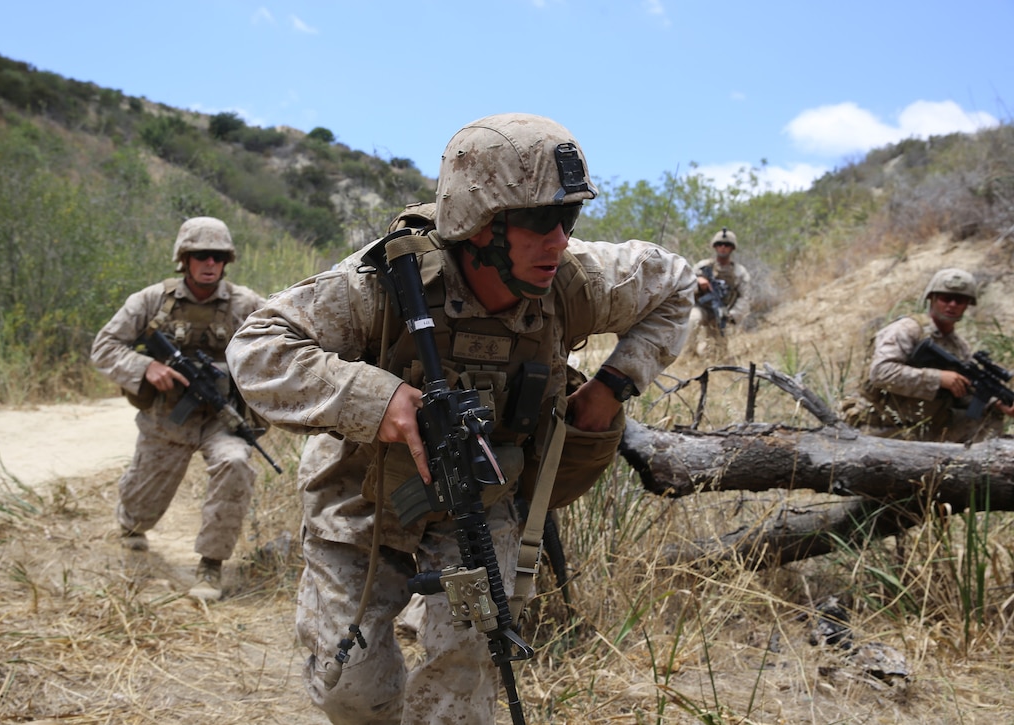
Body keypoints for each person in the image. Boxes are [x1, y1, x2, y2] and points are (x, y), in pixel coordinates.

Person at [226, 113, 696, 724]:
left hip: (480, 498)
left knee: (463, 670)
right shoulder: (384, 286)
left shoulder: (575, 280)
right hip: (361, 500)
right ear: (478, 225)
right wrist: (378, 399)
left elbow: (677, 284)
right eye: (535, 221)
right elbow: (257, 348)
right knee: (352, 688)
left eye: (568, 218)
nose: (558, 240)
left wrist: (613, 384)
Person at [90, 217, 266, 601]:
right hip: (166, 420)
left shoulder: (246, 304)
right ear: (183, 259)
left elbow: (280, 343)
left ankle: (211, 564)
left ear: (227, 261)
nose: (209, 263)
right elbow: (103, 347)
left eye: (218, 256)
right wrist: (146, 367)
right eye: (200, 255)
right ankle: (131, 525)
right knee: (139, 509)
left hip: (221, 418)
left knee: (235, 462)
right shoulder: (151, 301)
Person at [851, 267, 1014, 442]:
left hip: (927, 424)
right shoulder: (907, 329)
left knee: (990, 415)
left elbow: (964, 394)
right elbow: (881, 373)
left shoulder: (959, 347)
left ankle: (976, 466)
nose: (952, 305)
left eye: (959, 300)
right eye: (946, 298)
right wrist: (939, 378)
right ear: (932, 299)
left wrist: (995, 402)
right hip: (882, 425)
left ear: (967, 305)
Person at [685, 227, 752, 359]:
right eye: (719, 244)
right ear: (715, 247)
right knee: (693, 319)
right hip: (702, 308)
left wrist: (732, 315)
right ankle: (687, 354)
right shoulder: (703, 266)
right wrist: (698, 282)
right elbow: (685, 285)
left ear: (732, 248)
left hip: (722, 312)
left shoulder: (739, 272)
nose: (723, 247)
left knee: (718, 354)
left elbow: (745, 297)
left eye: (727, 245)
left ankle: (704, 352)